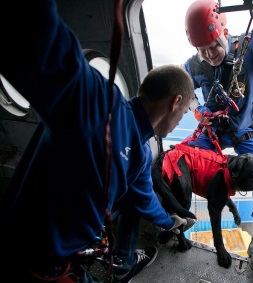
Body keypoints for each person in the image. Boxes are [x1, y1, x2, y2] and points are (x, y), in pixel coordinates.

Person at [0, 1, 194, 282]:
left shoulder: (139, 154)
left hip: (71, 260)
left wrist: (169, 221)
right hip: (36, 262)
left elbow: (144, 198)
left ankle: (123, 262)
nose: (182, 119)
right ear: (175, 103)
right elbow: (35, 30)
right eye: (185, 112)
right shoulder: (99, 100)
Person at [183, 0, 253, 275]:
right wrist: (201, 111)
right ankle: (177, 217)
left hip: (247, 131)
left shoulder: (250, 46)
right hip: (213, 132)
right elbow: (186, 93)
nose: (209, 55)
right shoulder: (194, 65)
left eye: (214, 46)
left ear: (224, 31)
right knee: (183, 159)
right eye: (202, 50)